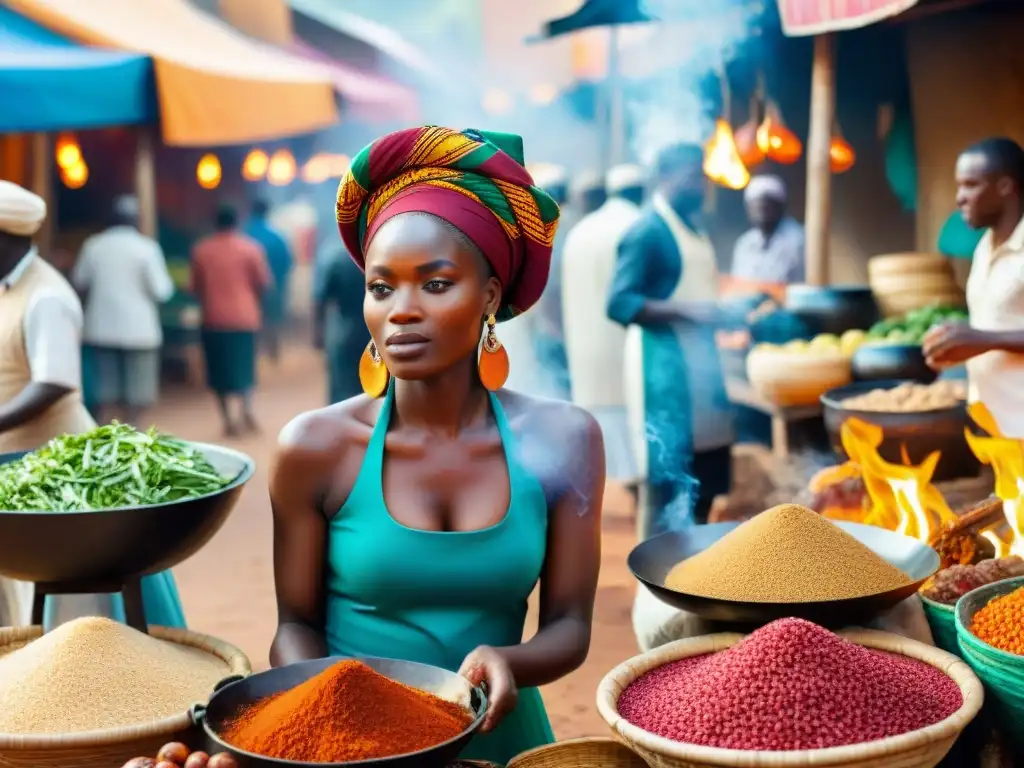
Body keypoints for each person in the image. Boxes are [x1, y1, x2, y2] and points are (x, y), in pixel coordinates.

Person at [269, 126, 604, 765]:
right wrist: (337, 705)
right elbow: (294, 628)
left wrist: (509, 659)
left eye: (436, 283)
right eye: (381, 286)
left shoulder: (563, 440)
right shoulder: (317, 448)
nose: (401, 310)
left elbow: (570, 625)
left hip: (500, 740)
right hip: (353, 747)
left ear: (490, 296)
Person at [0, 181, 185, 631]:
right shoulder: (13, 289)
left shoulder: (46, 296)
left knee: (67, 595)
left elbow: (54, 381)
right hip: (137, 331)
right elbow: (161, 290)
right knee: (131, 399)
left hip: (51, 462)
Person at [607, 144, 735, 537]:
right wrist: (690, 311)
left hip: (703, 372)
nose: (701, 185)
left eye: (703, 176)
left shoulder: (694, 227)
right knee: (669, 484)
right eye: (692, 176)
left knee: (708, 479)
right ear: (664, 176)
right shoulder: (647, 232)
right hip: (666, 374)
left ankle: (699, 568)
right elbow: (619, 302)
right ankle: (660, 584)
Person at [924, 137, 1024, 437]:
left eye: (970, 185)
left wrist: (983, 339)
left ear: (1005, 187)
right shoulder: (984, 247)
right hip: (995, 429)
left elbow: (990, 336)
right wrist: (958, 343)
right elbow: (997, 324)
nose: (960, 198)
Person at [562, 164, 646, 491]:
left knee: (599, 440)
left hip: (585, 351)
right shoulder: (638, 226)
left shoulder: (582, 231)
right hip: (624, 349)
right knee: (632, 437)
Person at [72, 196, 174, 426]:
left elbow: (80, 281)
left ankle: (108, 430)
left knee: (105, 388)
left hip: (101, 328)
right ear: (136, 220)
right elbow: (162, 290)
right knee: (138, 390)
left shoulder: (93, 245)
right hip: (139, 330)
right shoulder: (146, 248)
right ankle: (133, 427)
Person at [191, 205, 271, 437]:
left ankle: (228, 419)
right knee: (245, 367)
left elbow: (195, 286)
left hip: (213, 318)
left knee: (218, 370)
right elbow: (263, 282)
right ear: (237, 221)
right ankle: (246, 410)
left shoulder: (202, 250)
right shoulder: (251, 248)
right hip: (245, 318)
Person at [727, 174, 805, 299]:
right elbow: (737, 289)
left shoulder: (799, 241)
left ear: (780, 207)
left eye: (766, 206)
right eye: (755, 206)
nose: (761, 211)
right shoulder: (744, 244)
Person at [312, 237, 370, 404]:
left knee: (341, 387)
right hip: (375, 332)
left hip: (343, 332)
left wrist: (318, 333)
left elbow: (320, 299)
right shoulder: (379, 251)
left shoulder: (335, 255)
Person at [244, 199, 293, 363]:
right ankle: (273, 352)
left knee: (250, 321)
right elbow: (288, 263)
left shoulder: (244, 235)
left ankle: (253, 353)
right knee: (272, 320)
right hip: (274, 288)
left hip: (246, 290)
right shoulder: (277, 237)